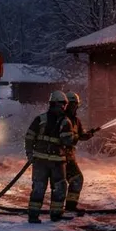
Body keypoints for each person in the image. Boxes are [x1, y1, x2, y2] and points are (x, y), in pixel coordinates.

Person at [24, 91, 77, 223]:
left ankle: (33, 215)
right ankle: (56, 214)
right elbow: (67, 141)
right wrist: (75, 137)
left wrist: (30, 153)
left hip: (40, 161)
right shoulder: (65, 121)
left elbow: (29, 138)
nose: (64, 107)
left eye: (65, 105)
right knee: (59, 187)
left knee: (38, 187)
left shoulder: (40, 119)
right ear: (55, 104)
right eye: (62, 104)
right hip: (57, 163)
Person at [64, 91, 95, 213]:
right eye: (72, 104)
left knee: (76, 180)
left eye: (75, 105)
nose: (74, 107)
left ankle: (70, 207)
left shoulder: (76, 121)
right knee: (68, 181)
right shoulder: (61, 120)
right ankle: (62, 209)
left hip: (69, 157)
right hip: (60, 157)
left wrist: (89, 134)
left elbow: (81, 135)